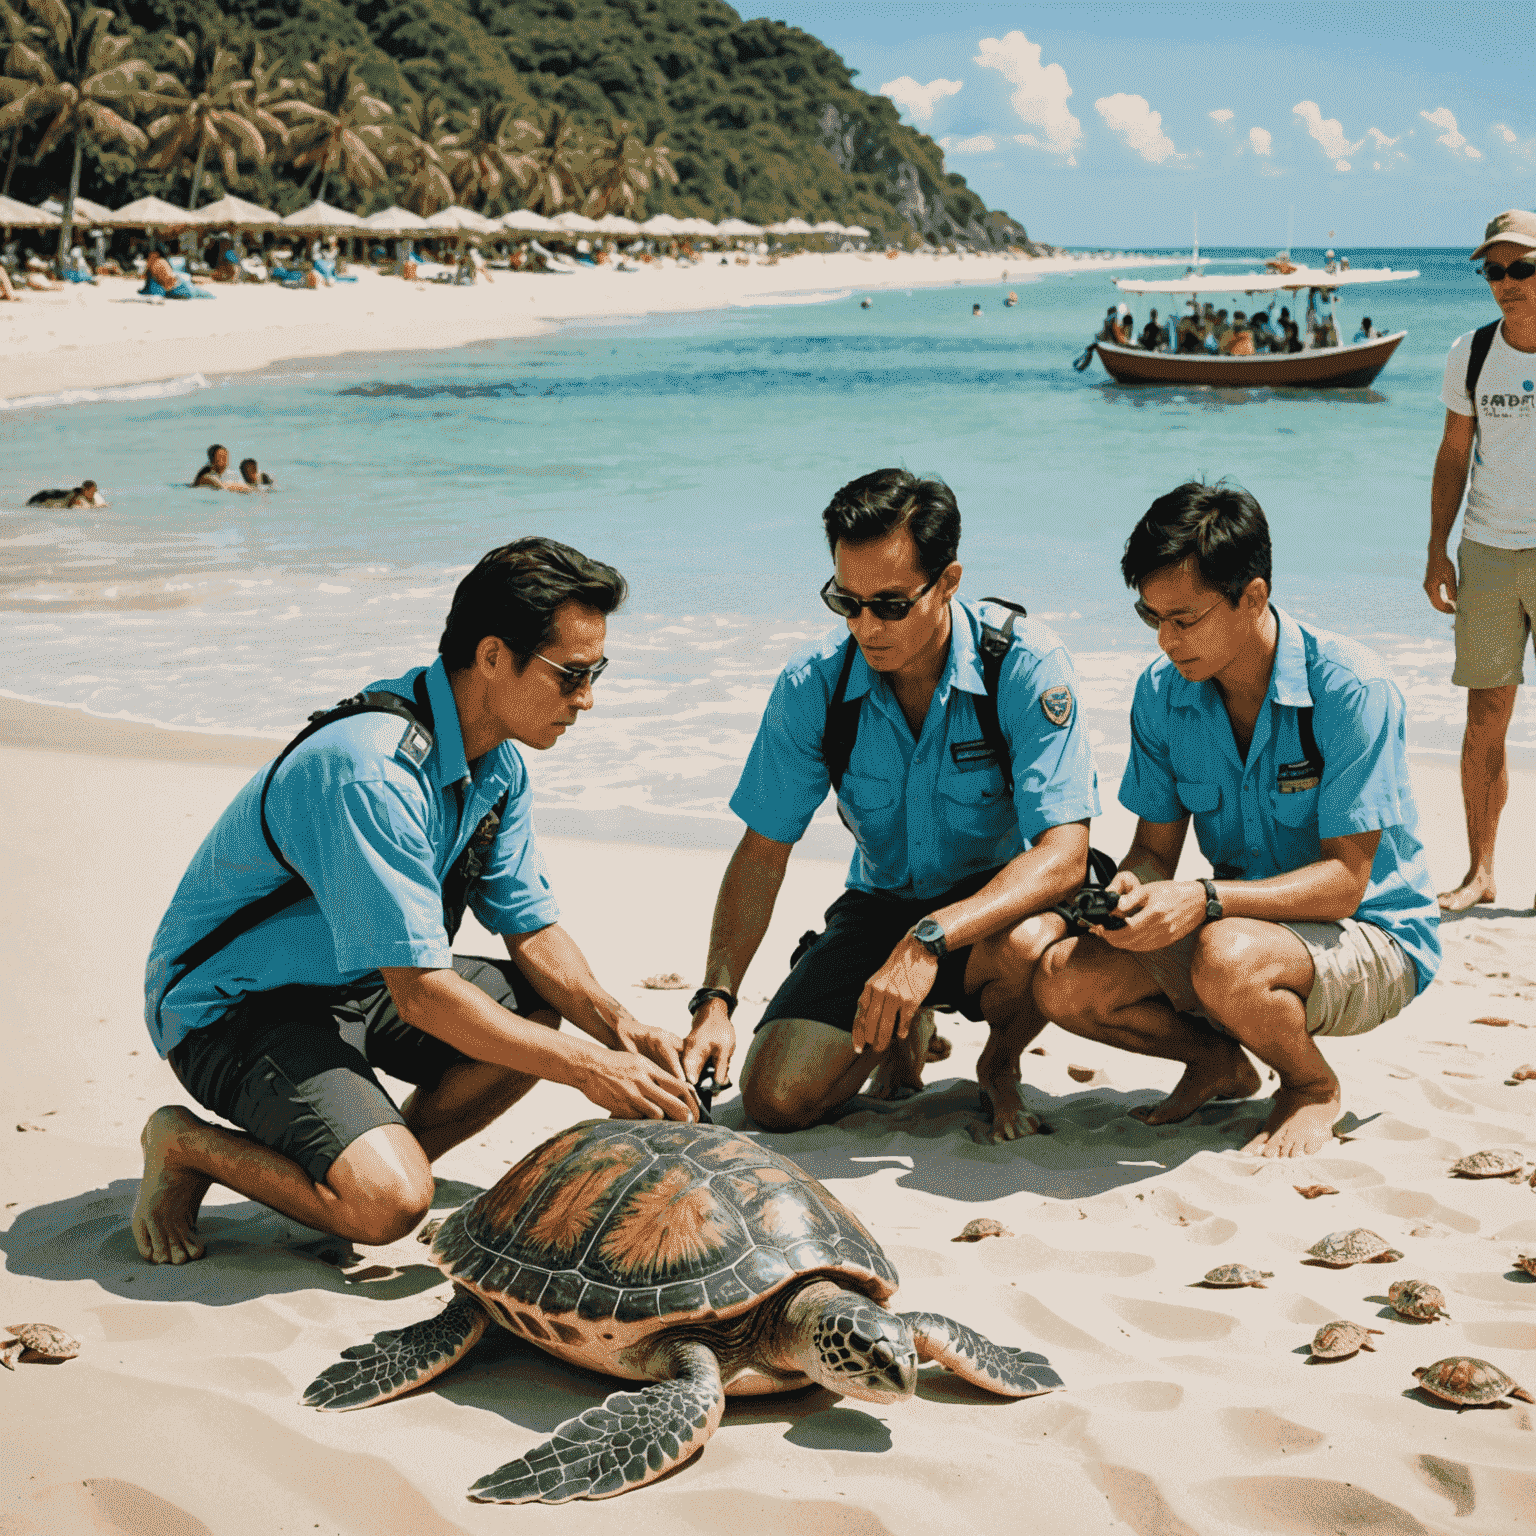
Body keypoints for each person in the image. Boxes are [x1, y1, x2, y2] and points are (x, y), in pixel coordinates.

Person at [133, 537, 699, 1266]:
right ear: (493, 656)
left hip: (354, 980)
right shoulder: (372, 772)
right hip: (235, 1009)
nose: (587, 699)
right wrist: (589, 1069)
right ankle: (189, 1145)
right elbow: (423, 996)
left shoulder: (497, 762)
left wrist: (620, 1028)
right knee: (388, 1206)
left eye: (598, 674)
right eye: (572, 676)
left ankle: (372, 1154)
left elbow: (531, 928)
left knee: (532, 1002)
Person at [680, 470, 1099, 1144]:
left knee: (1030, 945)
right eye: (846, 602)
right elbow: (762, 852)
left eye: (891, 604)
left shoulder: (1024, 664)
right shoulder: (811, 683)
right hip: (880, 905)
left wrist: (930, 937)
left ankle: (1001, 1060)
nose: (865, 627)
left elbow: (1065, 856)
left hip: (995, 906)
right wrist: (716, 999)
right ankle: (900, 1025)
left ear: (950, 581)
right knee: (775, 1099)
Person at [1034, 483, 1440, 1158]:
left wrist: (1203, 899)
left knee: (1226, 958)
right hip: (1239, 927)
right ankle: (1219, 1062)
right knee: (1062, 980)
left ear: (1252, 597)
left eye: (1184, 620)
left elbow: (1346, 883)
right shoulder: (1160, 694)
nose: (1165, 640)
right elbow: (1153, 854)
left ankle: (1310, 1087)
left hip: (1373, 936)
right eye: (1150, 617)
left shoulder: (1351, 690)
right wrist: (1129, 894)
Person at [1423, 208, 1536, 913]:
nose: (1506, 282)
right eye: (1493, 270)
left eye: (1521, 267)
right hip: (1488, 550)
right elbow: (1453, 453)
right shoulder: (1470, 351)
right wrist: (1436, 548)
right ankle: (1481, 872)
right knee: (1484, 717)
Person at [27, 479, 105, 508]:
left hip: (58, 495)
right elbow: (69, 506)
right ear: (84, 490)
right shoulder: (76, 496)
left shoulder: (93, 496)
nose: (91, 493)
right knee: (33, 503)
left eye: (93, 491)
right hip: (47, 496)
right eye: (89, 491)